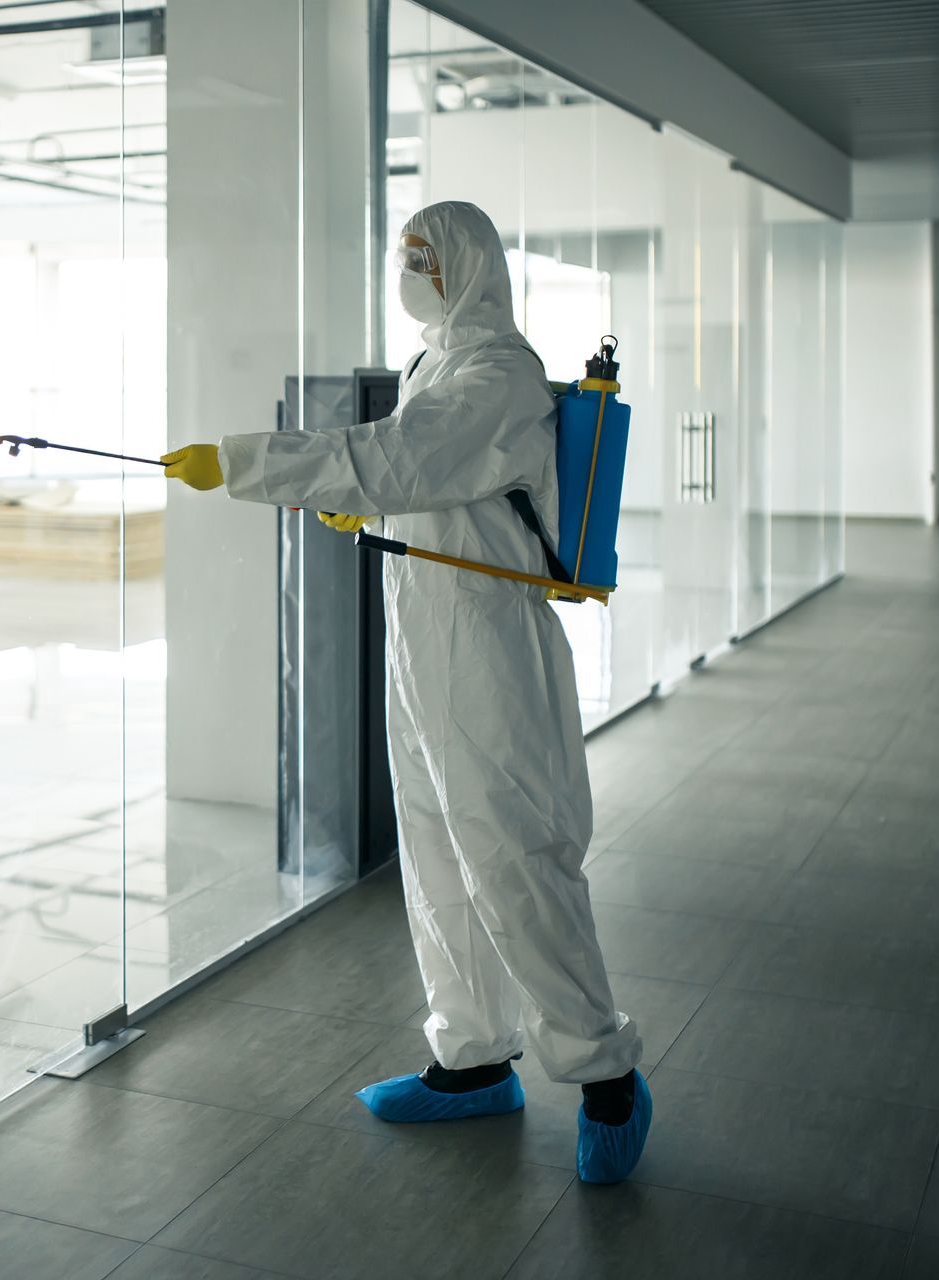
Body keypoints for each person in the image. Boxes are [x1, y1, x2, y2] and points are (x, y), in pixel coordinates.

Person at [160, 200, 651, 1184]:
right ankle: (471, 1061)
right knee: (435, 861)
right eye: (404, 253)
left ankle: (606, 1074)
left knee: (516, 859)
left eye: (423, 255)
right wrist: (355, 502)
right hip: (423, 642)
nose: (409, 268)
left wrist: (254, 462)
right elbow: (413, 473)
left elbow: (405, 456)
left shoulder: (497, 371)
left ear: (467, 264)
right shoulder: (436, 362)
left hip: (491, 651)